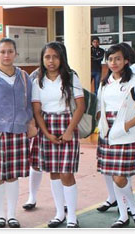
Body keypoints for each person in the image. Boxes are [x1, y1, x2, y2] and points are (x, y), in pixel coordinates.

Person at [0, 38, 37, 228]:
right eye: (3, 52)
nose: (6, 55)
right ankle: (0, 215)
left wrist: (27, 122)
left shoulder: (24, 77)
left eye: (10, 51)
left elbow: (29, 104)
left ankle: (12, 215)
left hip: (18, 134)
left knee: (12, 175)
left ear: (16, 54)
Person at [96, 44, 135, 228]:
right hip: (107, 133)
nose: (113, 62)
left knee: (120, 177)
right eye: (110, 59)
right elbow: (99, 107)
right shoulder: (105, 82)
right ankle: (123, 215)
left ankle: (133, 208)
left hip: (126, 133)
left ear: (126, 60)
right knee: (115, 177)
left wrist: (126, 125)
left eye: (118, 59)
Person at [31, 42, 85, 228]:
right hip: (46, 126)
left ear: (61, 58)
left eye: (55, 56)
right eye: (47, 57)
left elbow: (80, 106)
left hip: (67, 124)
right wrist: (45, 133)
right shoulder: (37, 80)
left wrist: (69, 130)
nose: (51, 61)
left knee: (66, 173)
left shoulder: (70, 77)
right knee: (53, 172)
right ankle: (59, 213)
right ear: (42, 59)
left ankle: (72, 217)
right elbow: (37, 111)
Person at [22, 68, 44, 212]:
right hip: (38, 122)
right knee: (35, 162)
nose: (51, 60)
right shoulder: (36, 75)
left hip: (61, 123)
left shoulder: (71, 74)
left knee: (62, 167)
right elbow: (26, 98)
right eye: (47, 56)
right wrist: (31, 123)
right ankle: (32, 197)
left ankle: (65, 201)